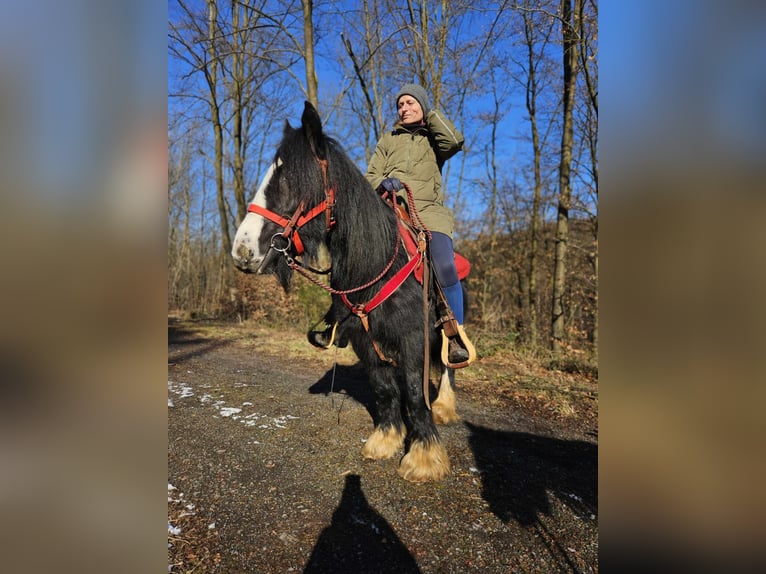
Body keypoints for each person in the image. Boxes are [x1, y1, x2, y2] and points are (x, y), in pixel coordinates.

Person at [309, 83, 470, 364]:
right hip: (388, 210)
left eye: (411, 103)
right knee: (350, 248)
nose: (404, 108)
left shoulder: (434, 138)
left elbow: (454, 142)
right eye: (400, 105)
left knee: (444, 265)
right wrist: (381, 183)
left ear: (422, 106)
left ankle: (453, 334)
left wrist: (429, 115)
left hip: (427, 212)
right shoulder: (388, 140)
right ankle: (337, 320)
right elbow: (369, 175)